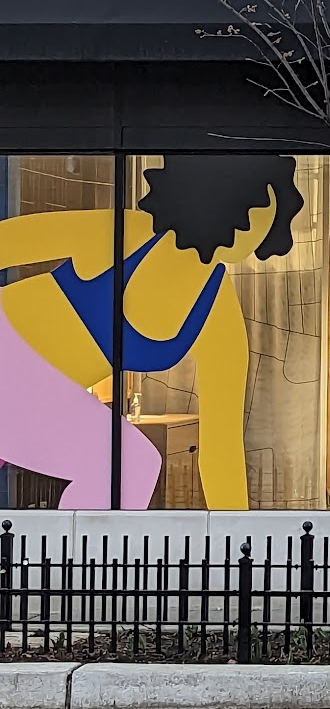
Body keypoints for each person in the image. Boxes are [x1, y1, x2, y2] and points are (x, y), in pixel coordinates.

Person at [0, 155, 303, 509]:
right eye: (254, 209)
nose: (254, 228)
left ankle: (79, 546)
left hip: (40, 396)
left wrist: (235, 535)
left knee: (132, 465)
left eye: (267, 217)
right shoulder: (127, 232)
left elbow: (221, 448)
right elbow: (8, 241)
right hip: (12, 354)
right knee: (131, 464)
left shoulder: (217, 310)